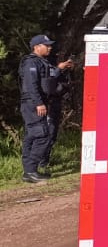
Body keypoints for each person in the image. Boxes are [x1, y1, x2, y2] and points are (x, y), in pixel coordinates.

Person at [19, 34, 74, 183]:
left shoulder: (41, 62)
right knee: (42, 135)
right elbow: (31, 85)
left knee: (33, 135)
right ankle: (30, 171)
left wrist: (60, 69)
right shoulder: (31, 63)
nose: (49, 48)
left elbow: (48, 78)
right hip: (33, 103)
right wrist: (39, 103)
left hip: (37, 102)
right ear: (37, 47)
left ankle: (29, 171)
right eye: (46, 45)